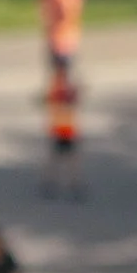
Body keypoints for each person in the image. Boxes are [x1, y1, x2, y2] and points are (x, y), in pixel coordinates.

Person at [43, 63, 85, 197]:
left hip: (64, 127)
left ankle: (61, 182)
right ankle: (66, 183)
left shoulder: (59, 88)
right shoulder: (61, 89)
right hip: (64, 126)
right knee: (63, 157)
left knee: (62, 157)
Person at [38, 0, 84, 79]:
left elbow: (66, 10)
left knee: (63, 64)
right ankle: (61, 87)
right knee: (58, 64)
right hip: (58, 33)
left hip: (63, 33)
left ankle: (64, 88)